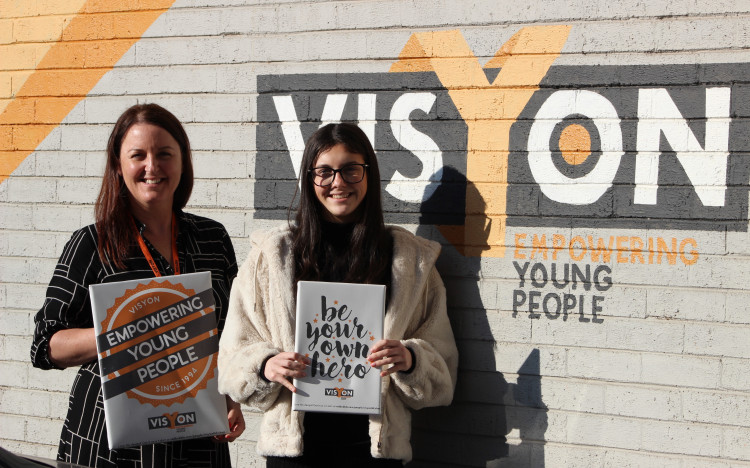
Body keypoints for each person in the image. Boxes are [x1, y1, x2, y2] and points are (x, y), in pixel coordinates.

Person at [217, 122, 458, 467]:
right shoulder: (273, 257)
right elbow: (231, 357)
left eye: (350, 170)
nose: (338, 182)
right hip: (294, 453)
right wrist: (265, 364)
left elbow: (444, 369)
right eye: (325, 172)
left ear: (369, 175)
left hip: (373, 452)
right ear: (309, 178)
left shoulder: (410, 262)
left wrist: (411, 359)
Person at [30, 103, 245, 467]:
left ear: (182, 162)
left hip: (196, 439)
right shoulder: (92, 243)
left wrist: (230, 395)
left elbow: (229, 335)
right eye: (138, 155)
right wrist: (123, 331)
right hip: (110, 447)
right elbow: (45, 346)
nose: (152, 167)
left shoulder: (212, 239)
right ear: (118, 165)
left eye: (164, 154)